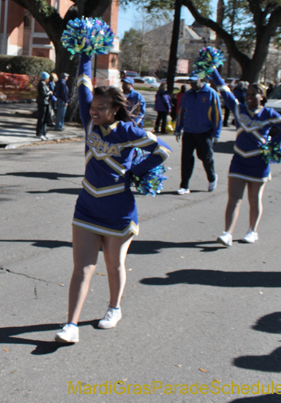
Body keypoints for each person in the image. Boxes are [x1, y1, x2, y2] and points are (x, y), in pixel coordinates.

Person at [54, 53, 171, 344]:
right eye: (93, 107)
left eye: (101, 107)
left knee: (113, 264)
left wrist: (134, 171)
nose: (94, 111)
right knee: (82, 267)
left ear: (115, 109)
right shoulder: (90, 125)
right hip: (87, 205)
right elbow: (82, 87)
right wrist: (85, 52)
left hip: (118, 210)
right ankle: (71, 325)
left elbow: (163, 150)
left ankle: (114, 308)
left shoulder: (129, 132)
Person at [210, 70, 281, 246]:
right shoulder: (238, 108)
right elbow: (224, 90)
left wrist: (273, 143)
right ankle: (227, 233)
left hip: (259, 162)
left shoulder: (269, 113)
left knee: (254, 199)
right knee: (233, 199)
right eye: (247, 94)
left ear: (262, 97)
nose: (248, 97)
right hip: (239, 160)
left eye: (252, 94)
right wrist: (212, 69)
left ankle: (252, 231)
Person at [174, 75, 223, 195]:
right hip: (189, 131)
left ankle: (212, 178)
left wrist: (216, 133)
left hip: (204, 132)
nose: (193, 85)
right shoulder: (188, 94)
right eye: (191, 83)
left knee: (205, 157)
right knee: (186, 159)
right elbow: (181, 112)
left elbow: (217, 115)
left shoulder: (211, 93)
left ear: (201, 81)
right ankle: (184, 185)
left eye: (195, 82)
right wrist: (178, 128)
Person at [36, 71, 53, 140]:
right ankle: (39, 133)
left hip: (46, 103)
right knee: (41, 118)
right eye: (47, 78)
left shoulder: (45, 84)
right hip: (42, 103)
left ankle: (44, 132)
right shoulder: (41, 84)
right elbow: (44, 94)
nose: (48, 80)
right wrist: (49, 93)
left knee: (46, 118)